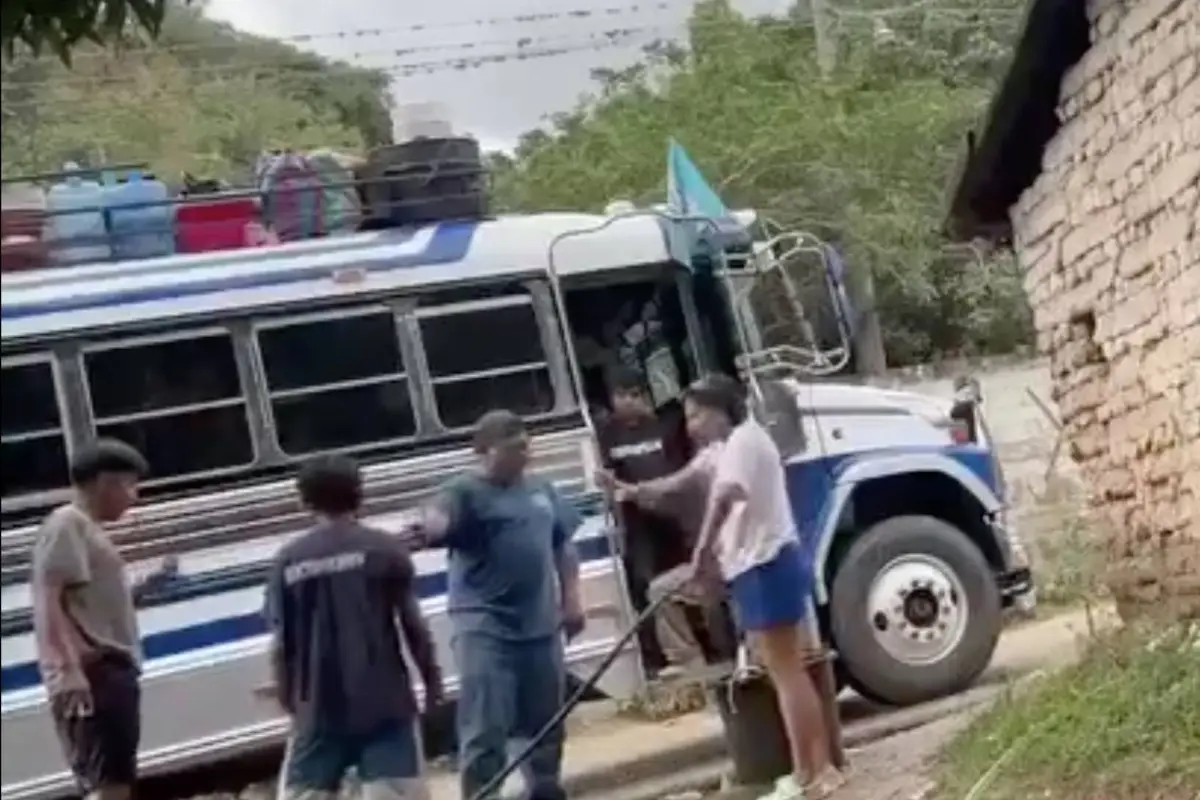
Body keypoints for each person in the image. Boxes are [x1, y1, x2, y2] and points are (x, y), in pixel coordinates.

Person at [406, 409, 584, 800]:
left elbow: (563, 543)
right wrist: (427, 529)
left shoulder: (540, 488)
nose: (526, 455)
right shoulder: (464, 491)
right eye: (515, 448)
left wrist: (572, 598)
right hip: (485, 628)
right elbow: (438, 517)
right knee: (487, 726)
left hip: (539, 625)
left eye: (526, 445)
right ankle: (483, 794)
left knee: (546, 722)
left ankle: (543, 791)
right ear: (485, 451)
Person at [683, 374, 846, 800]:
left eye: (696, 415)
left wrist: (701, 551)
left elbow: (728, 495)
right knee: (788, 673)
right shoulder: (749, 439)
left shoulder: (741, 443)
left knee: (787, 673)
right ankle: (817, 769)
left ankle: (810, 773)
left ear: (721, 410)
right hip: (766, 564)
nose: (692, 425)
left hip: (765, 566)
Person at [265, 455, 443, 800]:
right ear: (361, 494)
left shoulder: (288, 560)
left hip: (317, 708)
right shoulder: (384, 549)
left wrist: (290, 699)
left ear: (304, 501)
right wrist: (431, 681)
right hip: (385, 704)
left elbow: (282, 642)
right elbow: (412, 625)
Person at [31, 439, 170, 800]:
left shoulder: (87, 529)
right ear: (104, 482)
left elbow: (86, 604)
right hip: (95, 672)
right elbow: (48, 597)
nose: (134, 496)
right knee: (108, 784)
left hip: (107, 671)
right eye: (129, 484)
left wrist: (142, 588)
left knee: (112, 778)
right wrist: (68, 668)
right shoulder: (67, 523)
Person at [595, 367, 694, 677]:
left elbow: (680, 468)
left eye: (634, 394)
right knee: (645, 585)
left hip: (672, 518)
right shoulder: (606, 435)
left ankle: (700, 650)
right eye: (621, 395)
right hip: (638, 524)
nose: (627, 401)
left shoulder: (664, 428)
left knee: (681, 586)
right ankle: (656, 658)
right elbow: (606, 477)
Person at [606, 442, 726, 674]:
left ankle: (687, 661)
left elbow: (668, 488)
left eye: (696, 415)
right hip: (733, 562)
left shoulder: (709, 459)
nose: (692, 427)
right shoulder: (730, 454)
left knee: (660, 590)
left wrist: (622, 488)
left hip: (722, 565)